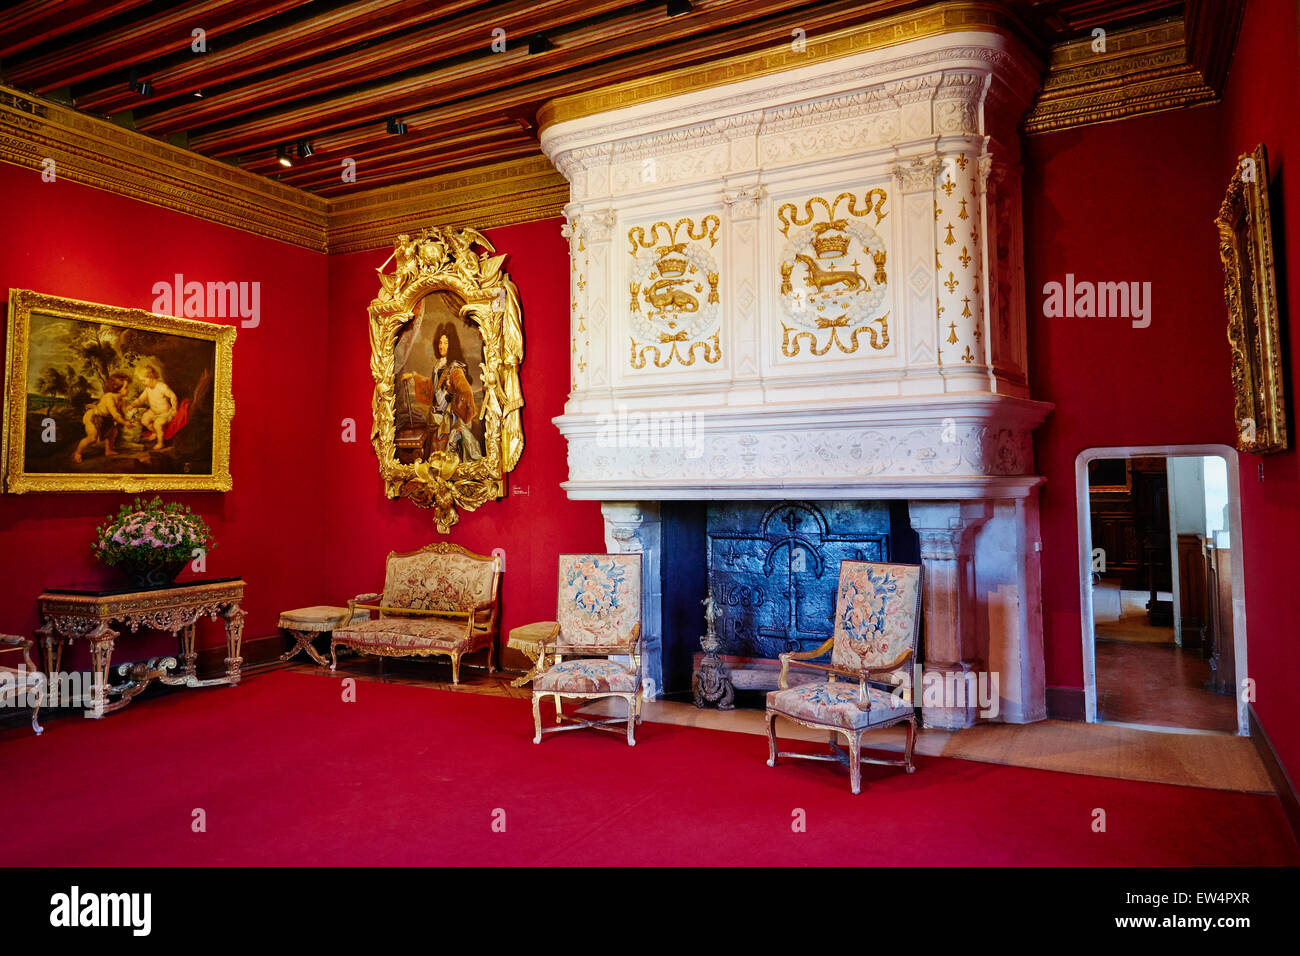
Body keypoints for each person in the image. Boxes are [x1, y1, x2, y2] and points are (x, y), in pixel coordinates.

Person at [430, 329, 482, 461]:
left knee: (451, 439)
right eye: (440, 342)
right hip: (438, 413)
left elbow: (466, 392)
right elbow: (434, 388)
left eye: (446, 343)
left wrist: (452, 398)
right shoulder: (437, 366)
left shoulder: (455, 368)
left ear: (452, 344)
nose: (442, 346)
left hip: (451, 416)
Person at [73, 373, 130, 464]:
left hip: (107, 419)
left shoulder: (122, 400)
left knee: (113, 433)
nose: (128, 389)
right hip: (94, 417)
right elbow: (115, 414)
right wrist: (124, 422)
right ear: (116, 387)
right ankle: (77, 453)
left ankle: (108, 450)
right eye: (126, 387)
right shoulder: (109, 397)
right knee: (92, 438)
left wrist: (131, 414)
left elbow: (125, 412)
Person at [128, 363, 178, 451]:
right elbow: (140, 399)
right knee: (144, 420)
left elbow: (173, 396)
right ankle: (155, 432)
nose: (142, 383)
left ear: (150, 377)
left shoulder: (162, 387)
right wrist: (133, 404)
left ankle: (160, 443)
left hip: (165, 413)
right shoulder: (147, 389)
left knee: (157, 424)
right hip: (153, 412)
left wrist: (174, 408)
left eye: (143, 380)